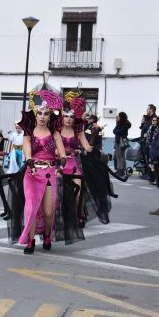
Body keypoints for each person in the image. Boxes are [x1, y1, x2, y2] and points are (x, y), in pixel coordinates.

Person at [13, 86, 67, 252]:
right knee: (31, 208)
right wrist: (29, 162)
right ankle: (30, 241)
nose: (42, 116)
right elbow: (27, 150)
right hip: (32, 173)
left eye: (46, 113)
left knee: (49, 211)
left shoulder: (55, 133)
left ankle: (48, 234)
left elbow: (63, 155)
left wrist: (60, 166)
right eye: (40, 113)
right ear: (35, 114)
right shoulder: (28, 133)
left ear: (50, 115)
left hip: (50, 174)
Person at [60, 91, 93, 227]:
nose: (68, 119)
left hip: (74, 164)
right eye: (66, 116)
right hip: (59, 165)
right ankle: (60, 216)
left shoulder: (78, 131)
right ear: (62, 117)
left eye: (71, 116)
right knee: (58, 193)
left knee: (78, 192)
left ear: (74, 118)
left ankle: (78, 215)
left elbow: (87, 146)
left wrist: (94, 143)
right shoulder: (56, 131)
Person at [113, 112, 131, 177]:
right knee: (118, 156)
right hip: (118, 141)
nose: (118, 118)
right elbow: (114, 131)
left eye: (119, 116)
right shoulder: (119, 124)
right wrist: (116, 127)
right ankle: (119, 170)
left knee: (120, 156)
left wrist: (116, 130)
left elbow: (118, 132)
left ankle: (121, 170)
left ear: (122, 117)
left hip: (121, 142)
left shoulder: (125, 125)